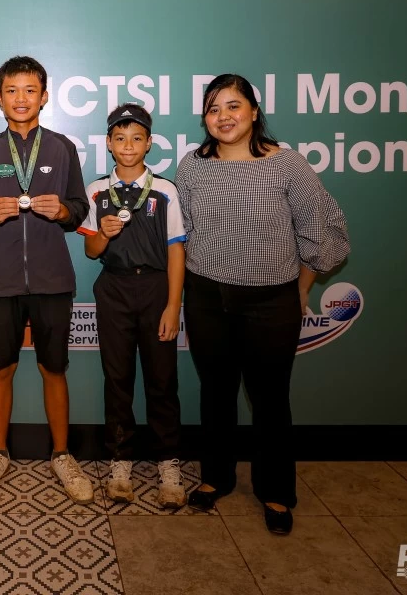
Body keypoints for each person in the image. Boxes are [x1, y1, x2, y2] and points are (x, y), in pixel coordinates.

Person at [175, 73, 349, 535]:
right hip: (207, 298)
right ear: (204, 119)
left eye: (233, 106)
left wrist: (302, 285)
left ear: (254, 111)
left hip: (271, 303)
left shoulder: (287, 165)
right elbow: (182, 234)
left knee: (270, 399)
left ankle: (275, 491)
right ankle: (215, 478)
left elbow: (325, 230)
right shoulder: (191, 166)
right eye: (213, 109)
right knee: (215, 394)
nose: (223, 117)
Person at [0, 55, 93, 503]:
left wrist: (62, 211)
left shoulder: (61, 148)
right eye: (12, 91)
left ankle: (62, 454)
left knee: (53, 368)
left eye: (30, 90)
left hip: (53, 279)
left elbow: (79, 206)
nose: (21, 99)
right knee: (0, 369)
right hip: (0, 281)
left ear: (44, 95)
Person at [79, 104, 187, 508]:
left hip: (157, 289)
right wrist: (103, 235)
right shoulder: (95, 191)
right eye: (120, 138)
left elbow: (177, 251)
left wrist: (173, 305)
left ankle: (168, 462)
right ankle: (120, 460)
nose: (128, 146)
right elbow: (91, 250)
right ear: (109, 143)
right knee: (118, 378)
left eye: (137, 138)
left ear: (149, 143)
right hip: (115, 288)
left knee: (162, 380)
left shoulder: (166, 190)